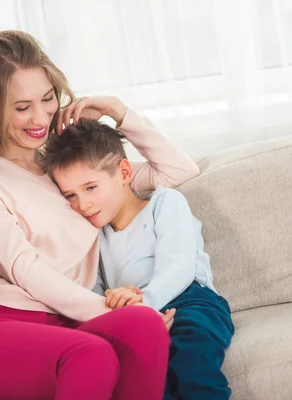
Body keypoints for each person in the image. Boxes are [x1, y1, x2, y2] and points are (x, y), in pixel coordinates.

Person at [0, 30, 200, 400]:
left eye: (47, 99)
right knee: (95, 352)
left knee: (143, 327)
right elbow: (22, 267)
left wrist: (117, 112)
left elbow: (177, 172)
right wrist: (108, 313)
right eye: (21, 106)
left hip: (68, 323)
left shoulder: (66, 167)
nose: (40, 117)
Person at [41, 119, 235, 400]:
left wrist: (145, 304)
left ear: (123, 172)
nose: (82, 204)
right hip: (133, 316)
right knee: (152, 379)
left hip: (189, 302)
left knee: (192, 361)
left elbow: (178, 268)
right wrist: (126, 315)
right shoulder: (93, 236)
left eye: (91, 187)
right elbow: (93, 289)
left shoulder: (165, 203)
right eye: (70, 195)